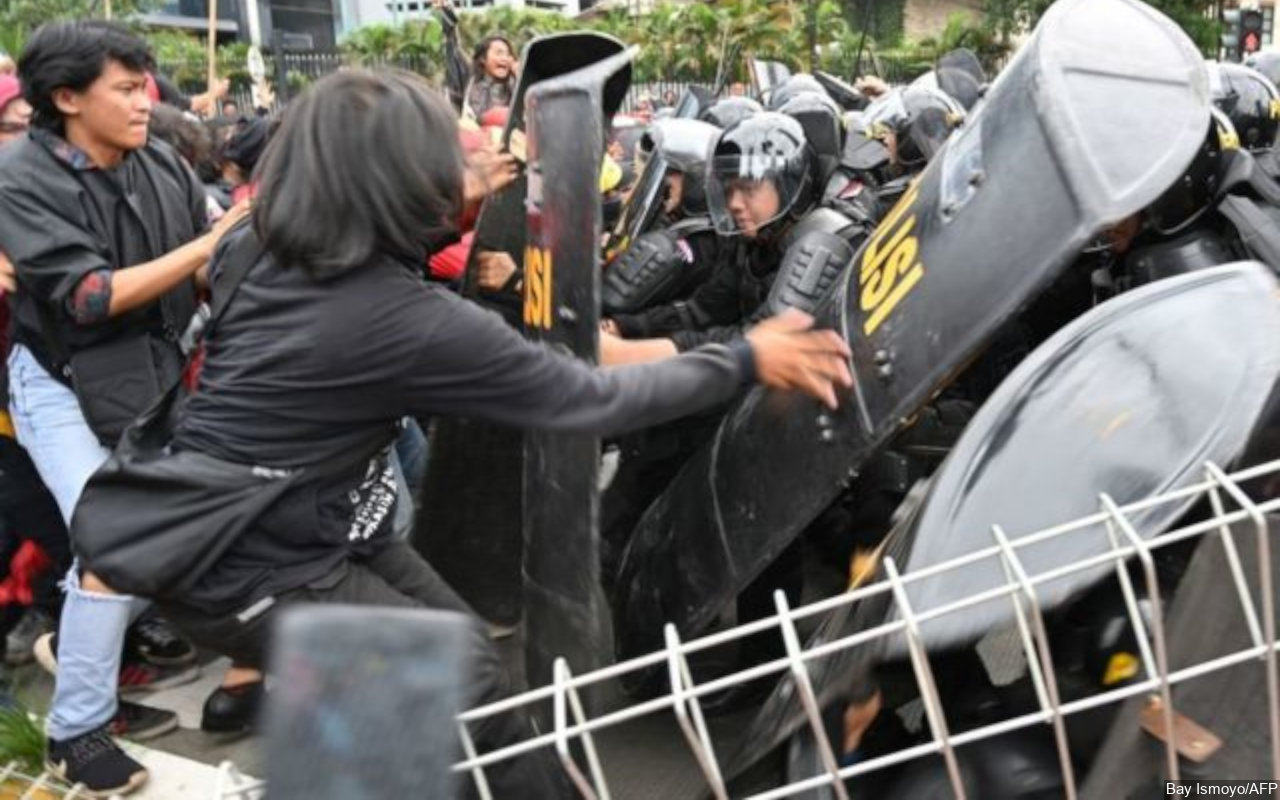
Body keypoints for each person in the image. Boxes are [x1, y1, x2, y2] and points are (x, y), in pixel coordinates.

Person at [68, 69, 851, 798]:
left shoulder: (261, 244)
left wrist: (474, 190)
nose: (452, 171)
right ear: (395, 183)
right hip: (251, 564)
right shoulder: (395, 317)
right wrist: (745, 356)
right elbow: (586, 397)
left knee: (449, 669)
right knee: (460, 678)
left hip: (317, 525)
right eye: (437, 159)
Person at [0, 21, 248, 795]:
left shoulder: (162, 163)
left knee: (204, 521)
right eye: (128, 88)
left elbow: (208, 262)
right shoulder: (18, 179)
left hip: (159, 371)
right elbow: (89, 296)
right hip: (62, 381)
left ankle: (95, 627)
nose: (148, 101)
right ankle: (75, 731)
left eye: (146, 85)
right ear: (66, 98)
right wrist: (210, 249)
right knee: (113, 540)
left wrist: (234, 253)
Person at [464, 34, 516, 121]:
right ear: (483, 58)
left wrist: (519, 74)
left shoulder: (514, 86)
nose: (504, 58)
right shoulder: (470, 85)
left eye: (507, 55)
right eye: (499, 53)